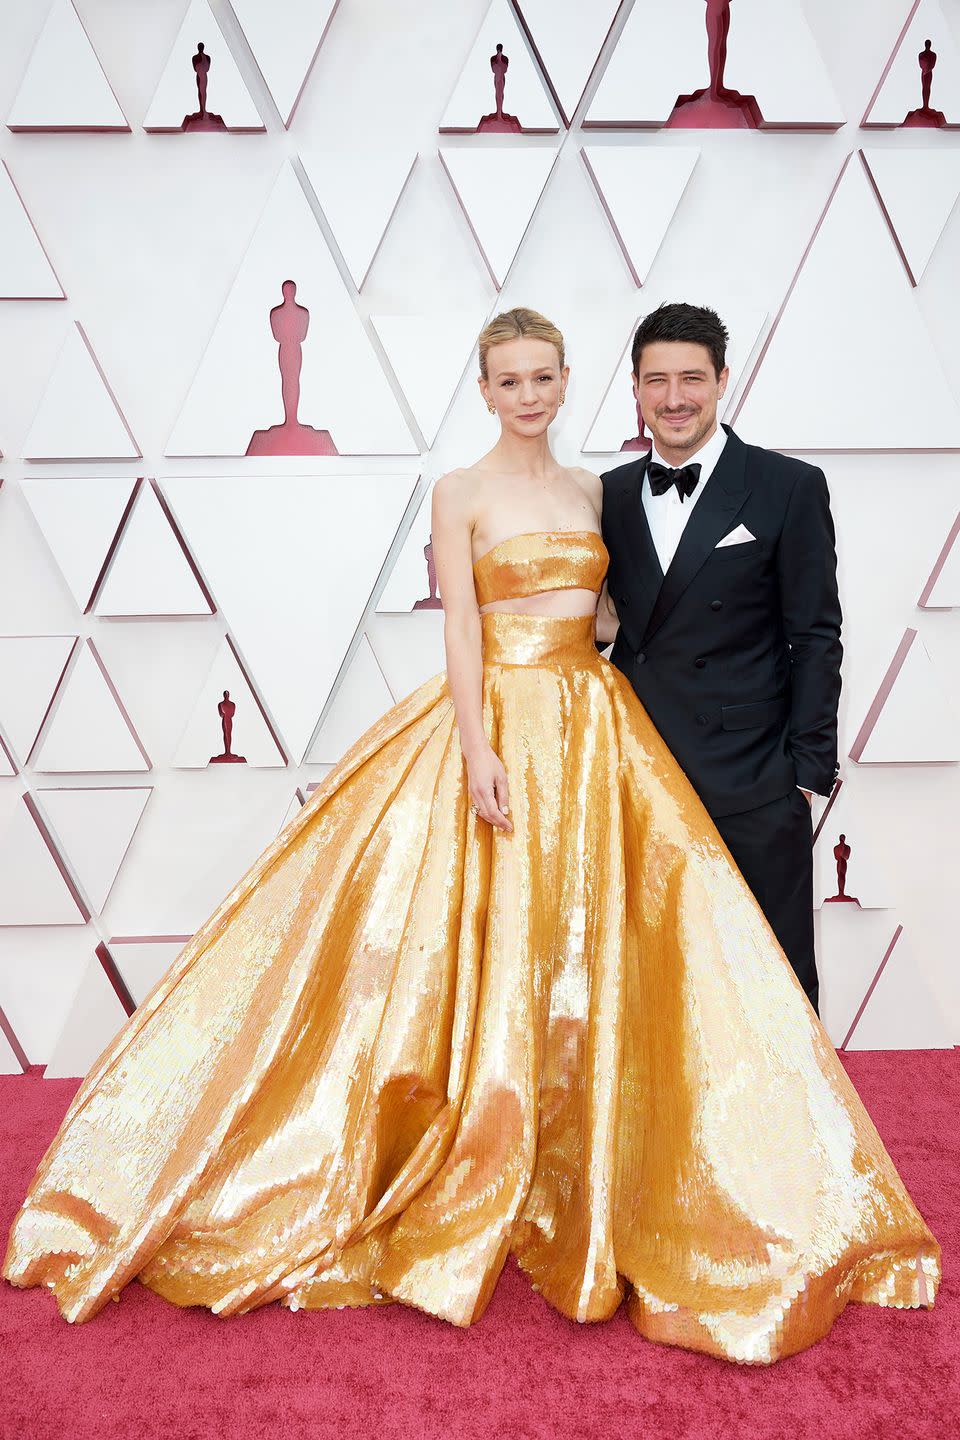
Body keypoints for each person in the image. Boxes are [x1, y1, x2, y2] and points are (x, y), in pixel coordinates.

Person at [3, 309, 938, 1366]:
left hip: (602, 738)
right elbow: (460, 624)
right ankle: (491, 1164)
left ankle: (719, 1185)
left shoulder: (602, 490)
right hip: (501, 732)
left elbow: (635, 615)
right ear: (486, 388)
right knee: (483, 957)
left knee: (667, 970)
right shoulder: (462, 492)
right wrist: (479, 742)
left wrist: (796, 765)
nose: (530, 394)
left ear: (581, 381)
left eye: (545, 376)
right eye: (511, 379)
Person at [600, 302, 841, 1016]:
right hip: (638, 766)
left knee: (771, 976)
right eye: (657, 381)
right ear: (635, 389)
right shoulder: (606, 494)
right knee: (654, 977)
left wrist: (804, 771)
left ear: (723, 379)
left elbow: (816, 634)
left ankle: (800, 1130)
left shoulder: (786, 485)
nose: (675, 399)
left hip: (752, 775)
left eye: (692, 379)